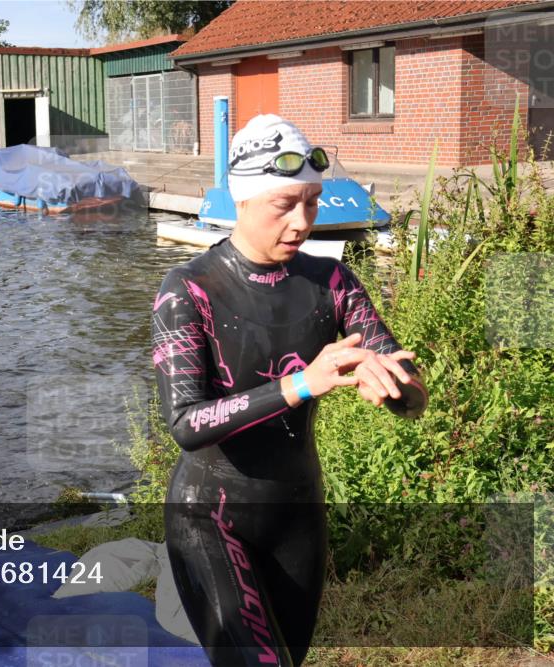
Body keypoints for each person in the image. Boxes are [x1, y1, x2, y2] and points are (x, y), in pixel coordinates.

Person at [152, 114, 428, 666]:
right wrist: (302, 383)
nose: (302, 221)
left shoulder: (332, 282)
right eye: (285, 205)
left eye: (312, 201)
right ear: (244, 200)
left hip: (297, 512)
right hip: (209, 517)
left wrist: (398, 389)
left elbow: (412, 395)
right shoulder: (188, 289)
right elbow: (185, 423)